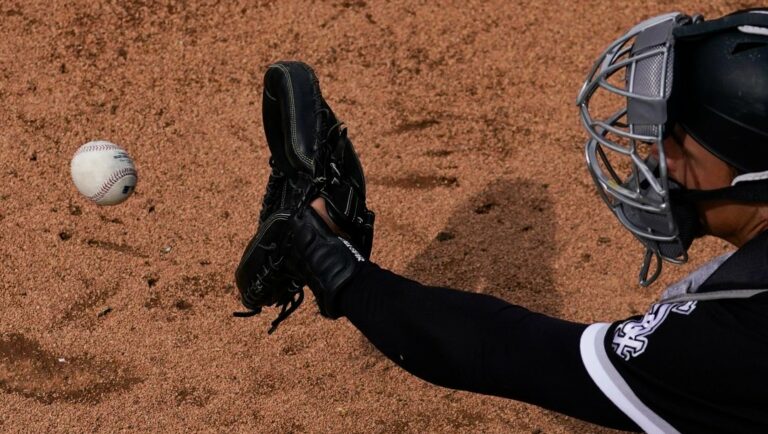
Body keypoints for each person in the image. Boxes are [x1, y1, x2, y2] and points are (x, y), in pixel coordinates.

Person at [236, 9, 768, 433]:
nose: (656, 156)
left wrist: (334, 264)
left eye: (680, 138)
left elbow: (509, 352)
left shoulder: (733, 338)